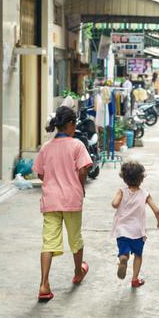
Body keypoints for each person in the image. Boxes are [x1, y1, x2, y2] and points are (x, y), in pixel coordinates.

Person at [32, 106, 93, 301]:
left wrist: (52, 183)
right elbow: (84, 170)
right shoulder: (77, 145)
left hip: (51, 200)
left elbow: (40, 173)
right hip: (72, 199)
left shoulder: (46, 147)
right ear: (70, 124)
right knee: (75, 238)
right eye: (74, 124)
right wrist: (78, 185)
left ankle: (43, 284)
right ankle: (77, 272)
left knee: (48, 241)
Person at [111, 161, 159, 287]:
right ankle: (134, 279)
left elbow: (114, 204)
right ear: (141, 179)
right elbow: (156, 210)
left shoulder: (121, 191)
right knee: (138, 255)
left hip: (122, 230)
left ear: (124, 178)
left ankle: (123, 258)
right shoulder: (145, 194)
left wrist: (118, 200)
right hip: (137, 232)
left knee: (124, 252)